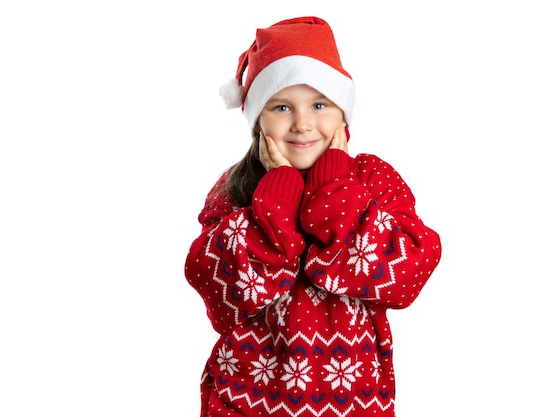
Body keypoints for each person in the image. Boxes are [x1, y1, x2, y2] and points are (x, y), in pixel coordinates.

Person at [184, 16, 442, 417]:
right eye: (282, 106)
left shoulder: (372, 179)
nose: (303, 123)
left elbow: (409, 273)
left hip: (353, 401)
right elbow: (217, 292)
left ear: (343, 114)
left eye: (319, 104)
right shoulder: (233, 188)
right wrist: (275, 202)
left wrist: (335, 191)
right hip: (246, 399)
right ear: (257, 120)